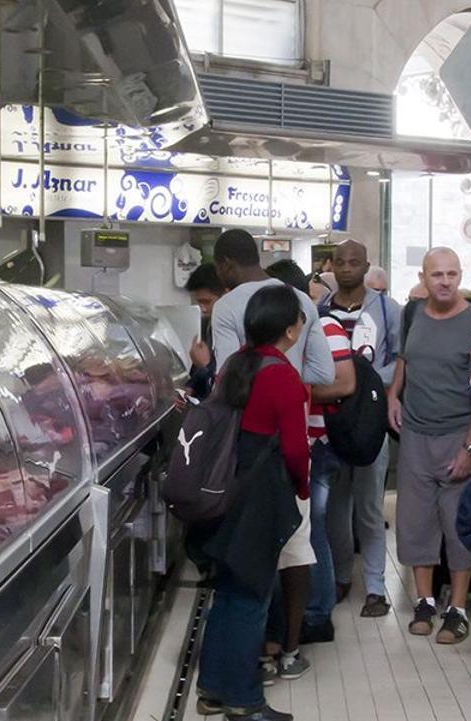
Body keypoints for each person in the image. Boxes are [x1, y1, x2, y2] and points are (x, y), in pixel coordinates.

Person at [195, 284, 310, 721]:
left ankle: (211, 688)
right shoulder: (281, 376)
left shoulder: (236, 365)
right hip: (262, 497)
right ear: (290, 329)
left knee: (227, 592)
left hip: (224, 491)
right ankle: (244, 699)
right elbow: (297, 449)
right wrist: (300, 489)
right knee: (252, 597)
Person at [387, 247, 471, 644]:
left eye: (451, 274)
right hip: (414, 436)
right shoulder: (413, 314)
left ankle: (458, 609)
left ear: (460, 276)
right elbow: (404, 359)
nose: (444, 281)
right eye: (437, 275)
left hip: (457, 435)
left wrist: (470, 447)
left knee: (458, 525)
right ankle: (425, 602)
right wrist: (394, 394)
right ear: (423, 278)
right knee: (414, 522)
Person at [261, 260, 355, 670]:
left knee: (310, 527)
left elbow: (346, 382)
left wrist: (295, 391)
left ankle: (317, 612)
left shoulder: (325, 327)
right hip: (295, 440)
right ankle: (304, 614)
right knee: (303, 530)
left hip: (316, 440)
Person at [317, 240, 402, 619]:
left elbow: (401, 359)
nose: (348, 268)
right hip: (331, 421)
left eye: (355, 262)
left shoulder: (387, 309)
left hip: (369, 419)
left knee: (369, 506)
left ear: (367, 266)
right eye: (341, 262)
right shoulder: (320, 313)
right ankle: (339, 576)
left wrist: (365, 380)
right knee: (335, 507)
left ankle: (376, 587)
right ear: (331, 266)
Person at [212, 229, 335, 388]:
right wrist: (290, 371)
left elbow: (227, 375)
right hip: (293, 407)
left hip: (251, 410)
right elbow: (324, 373)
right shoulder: (301, 299)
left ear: (226, 265)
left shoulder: (226, 306)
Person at [185, 263, 224, 400]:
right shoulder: (206, 324)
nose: (202, 309)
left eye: (207, 302)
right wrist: (190, 386)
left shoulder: (233, 331)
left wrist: (206, 365)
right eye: (198, 302)